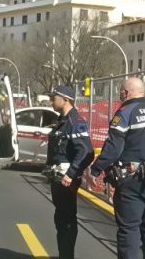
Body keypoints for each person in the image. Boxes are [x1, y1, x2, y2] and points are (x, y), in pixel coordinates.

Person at [89, 77, 145, 259]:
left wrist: (94, 170)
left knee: (129, 231)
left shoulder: (124, 112)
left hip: (132, 182)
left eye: (121, 91)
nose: (120, 94)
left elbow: (114, 149)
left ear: (126, 93)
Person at [43, 85, 94, 259]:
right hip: (58, 178)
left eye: (54, 97)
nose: (51, 100)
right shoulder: (63, 120)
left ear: (65, 99)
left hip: (65, 180)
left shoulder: (75, 121)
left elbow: (86, 151)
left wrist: (71, 174)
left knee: (66, 222)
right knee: (61, 219)